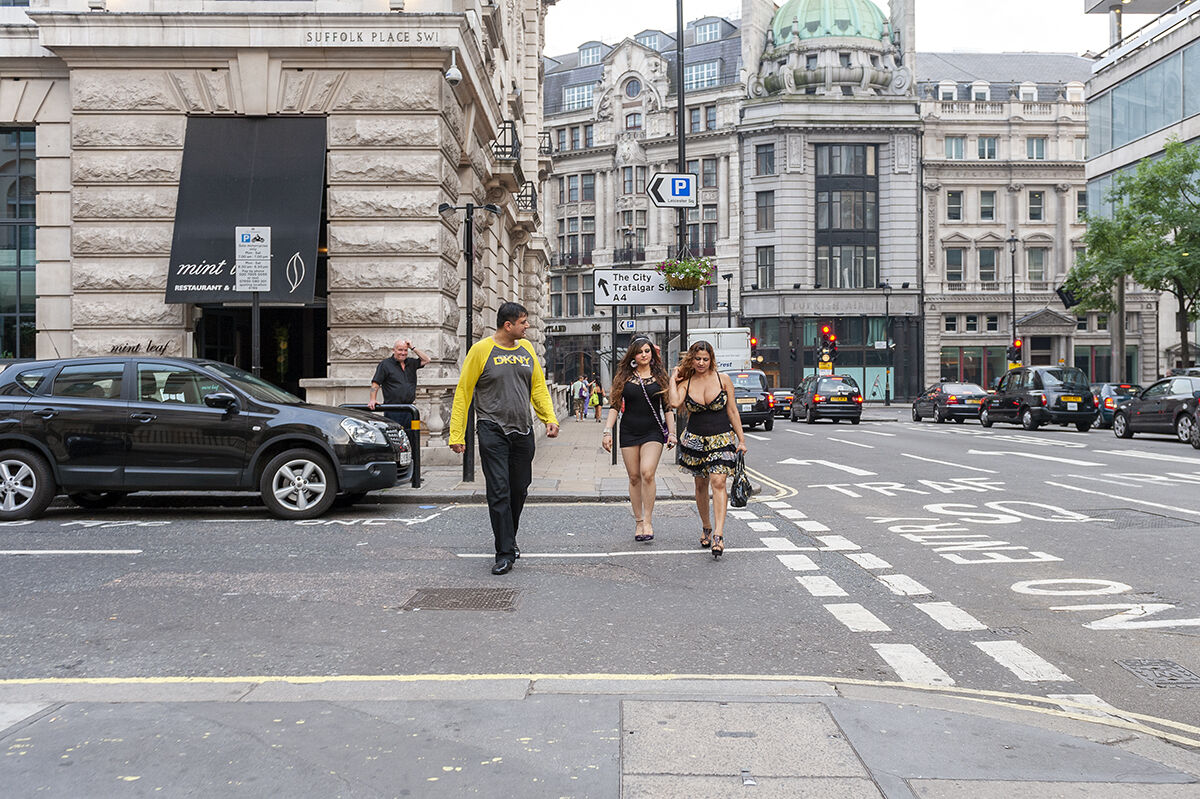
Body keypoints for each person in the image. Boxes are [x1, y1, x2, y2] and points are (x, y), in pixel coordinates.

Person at [449, 302, 559, 575]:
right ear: (508, 325)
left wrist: (550, 418)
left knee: (519, 489)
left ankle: (509, 538)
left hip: (522, 430)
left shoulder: (527, 350)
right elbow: (463, 392)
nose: (527, 326)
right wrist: (456, 433)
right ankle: (504, 552)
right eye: (523, 322)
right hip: (491, 428)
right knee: (498, 490)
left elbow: (537, 388)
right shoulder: (481, 350)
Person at [668, 340, 747, 559]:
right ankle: (706, 526)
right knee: (700, 485)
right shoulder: (687, 380)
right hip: (694, 441)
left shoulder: (724, 380)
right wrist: (673, 378)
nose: (701, 363)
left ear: (712, 359)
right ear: (691, 360)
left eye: (705, 359)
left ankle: (719, 536)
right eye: (697, 359)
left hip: (721, 438)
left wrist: (741, 440)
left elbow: (732, 411)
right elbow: (674, 402)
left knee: (719, 482)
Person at [602, 337, 677, 543]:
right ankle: (638, 521)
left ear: (652, 353)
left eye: (647, 351)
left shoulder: (660, 377)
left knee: (647, 472)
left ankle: (648, 521)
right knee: (634, 477)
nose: (644, 354)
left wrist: (671, 433)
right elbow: (615, 407)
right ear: (633, 355)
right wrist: (607, 431)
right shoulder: (624, 377)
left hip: (652, 432)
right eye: (640, 351)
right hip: (628, 431)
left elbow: (668, 409)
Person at [369, 339, 431, 447]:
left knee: (411, 439)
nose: (403, 353)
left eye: (405, 350)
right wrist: (372, 399)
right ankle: (397, 462)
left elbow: (427, 359)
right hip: (393, 409)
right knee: (395, 440)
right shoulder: (385, 365)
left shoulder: (411, 363)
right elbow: (375, 383)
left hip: (409, 410)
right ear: (394, 350)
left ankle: (412, 462)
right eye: (400, 350)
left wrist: (413, 347)